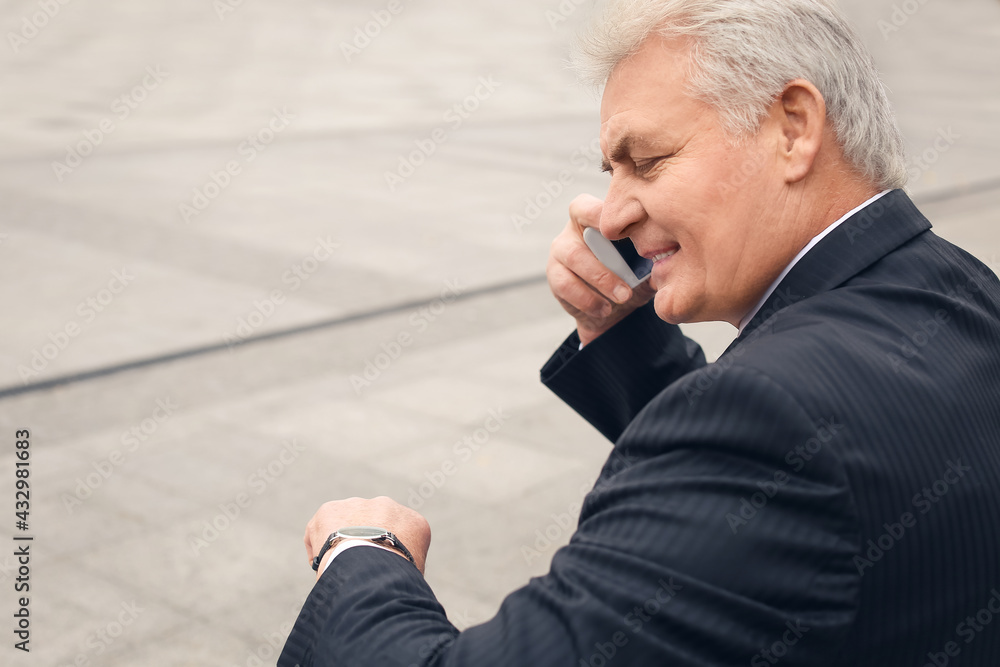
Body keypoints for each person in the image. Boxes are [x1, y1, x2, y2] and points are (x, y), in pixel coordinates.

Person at [279, 1, 1000, 664]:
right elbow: (822, 467)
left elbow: (776, 447)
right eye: (611, 171)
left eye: (646, 161)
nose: (611, 212)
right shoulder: (959, 285)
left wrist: (364, 558)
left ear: (793, 128)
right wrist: (618, 333)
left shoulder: (764, 422)